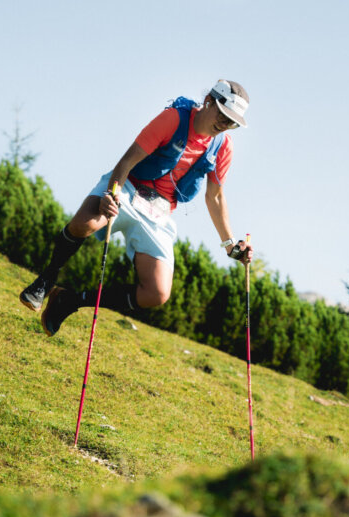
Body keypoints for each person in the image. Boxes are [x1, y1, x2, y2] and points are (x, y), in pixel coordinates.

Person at [19, 79, 254, 335]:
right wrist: (111, 193)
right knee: (83, 224)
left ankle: (70, 301)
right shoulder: (173, 119)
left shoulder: (223, 148)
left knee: (156, 293)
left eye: (232, 122)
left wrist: (231, 246)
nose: (224, 124)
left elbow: (216, 197)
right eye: (222, 114)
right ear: (209, 100)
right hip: (128, 188)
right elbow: (127, 161)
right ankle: (46, 279)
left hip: (160, 211)